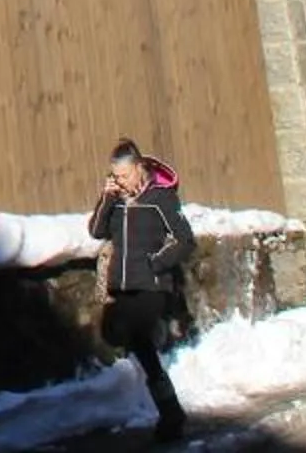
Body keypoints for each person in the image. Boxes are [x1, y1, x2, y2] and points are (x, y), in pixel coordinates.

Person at [89, 138, 196, 443]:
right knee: (124, 337)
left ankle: (171, 413)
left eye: (123, 176)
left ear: (138, 169)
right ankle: (171, 410)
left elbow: (184, 239)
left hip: (152, 285)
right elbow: (97, 230)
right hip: (122, 285)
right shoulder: (119, 201)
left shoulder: (160, 198)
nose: (119, 182)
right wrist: (107, 198)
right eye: (115, 177)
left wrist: (156, 262)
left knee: (138, 336)